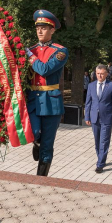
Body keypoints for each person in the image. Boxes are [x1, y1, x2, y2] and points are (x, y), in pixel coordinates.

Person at [26, 10, 68, 177]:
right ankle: (36, 142)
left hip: (51, 102)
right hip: (32, 101)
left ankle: (41, 179)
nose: (40, 31)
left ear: (52, 30)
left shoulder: (60, 51)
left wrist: (30, 56)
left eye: (44, 28)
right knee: (34, 132)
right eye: (38, 28)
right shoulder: (31, 49)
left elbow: (44, 70)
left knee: (48, 144)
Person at [85, 64, 112, 173]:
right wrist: (87, 116)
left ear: (106, 74)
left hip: (107, 118)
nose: (99, 76)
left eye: (102, 74)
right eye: (98, 74)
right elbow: (88, 103)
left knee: (104, 141)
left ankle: (100, 164)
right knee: (97, 142)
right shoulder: (91, 86)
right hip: (94, 118)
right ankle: (101, 158)